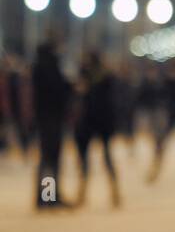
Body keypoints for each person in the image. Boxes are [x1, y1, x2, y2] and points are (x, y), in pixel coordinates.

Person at [73, 52, 121, 208]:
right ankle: (112, 192)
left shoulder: (99, 78)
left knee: (92, 159)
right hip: (98, 122)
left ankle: (88, 192)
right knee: (104, 158)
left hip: (93, 121)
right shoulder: (105, 77)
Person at [31, 43, 72, 210]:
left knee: (46, 160)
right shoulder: (49, 69)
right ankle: (49, 197)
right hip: (52, 120)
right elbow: (60, 91)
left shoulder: (38, 69)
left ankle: (45, 197)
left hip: (44, 120)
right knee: (50, 160)